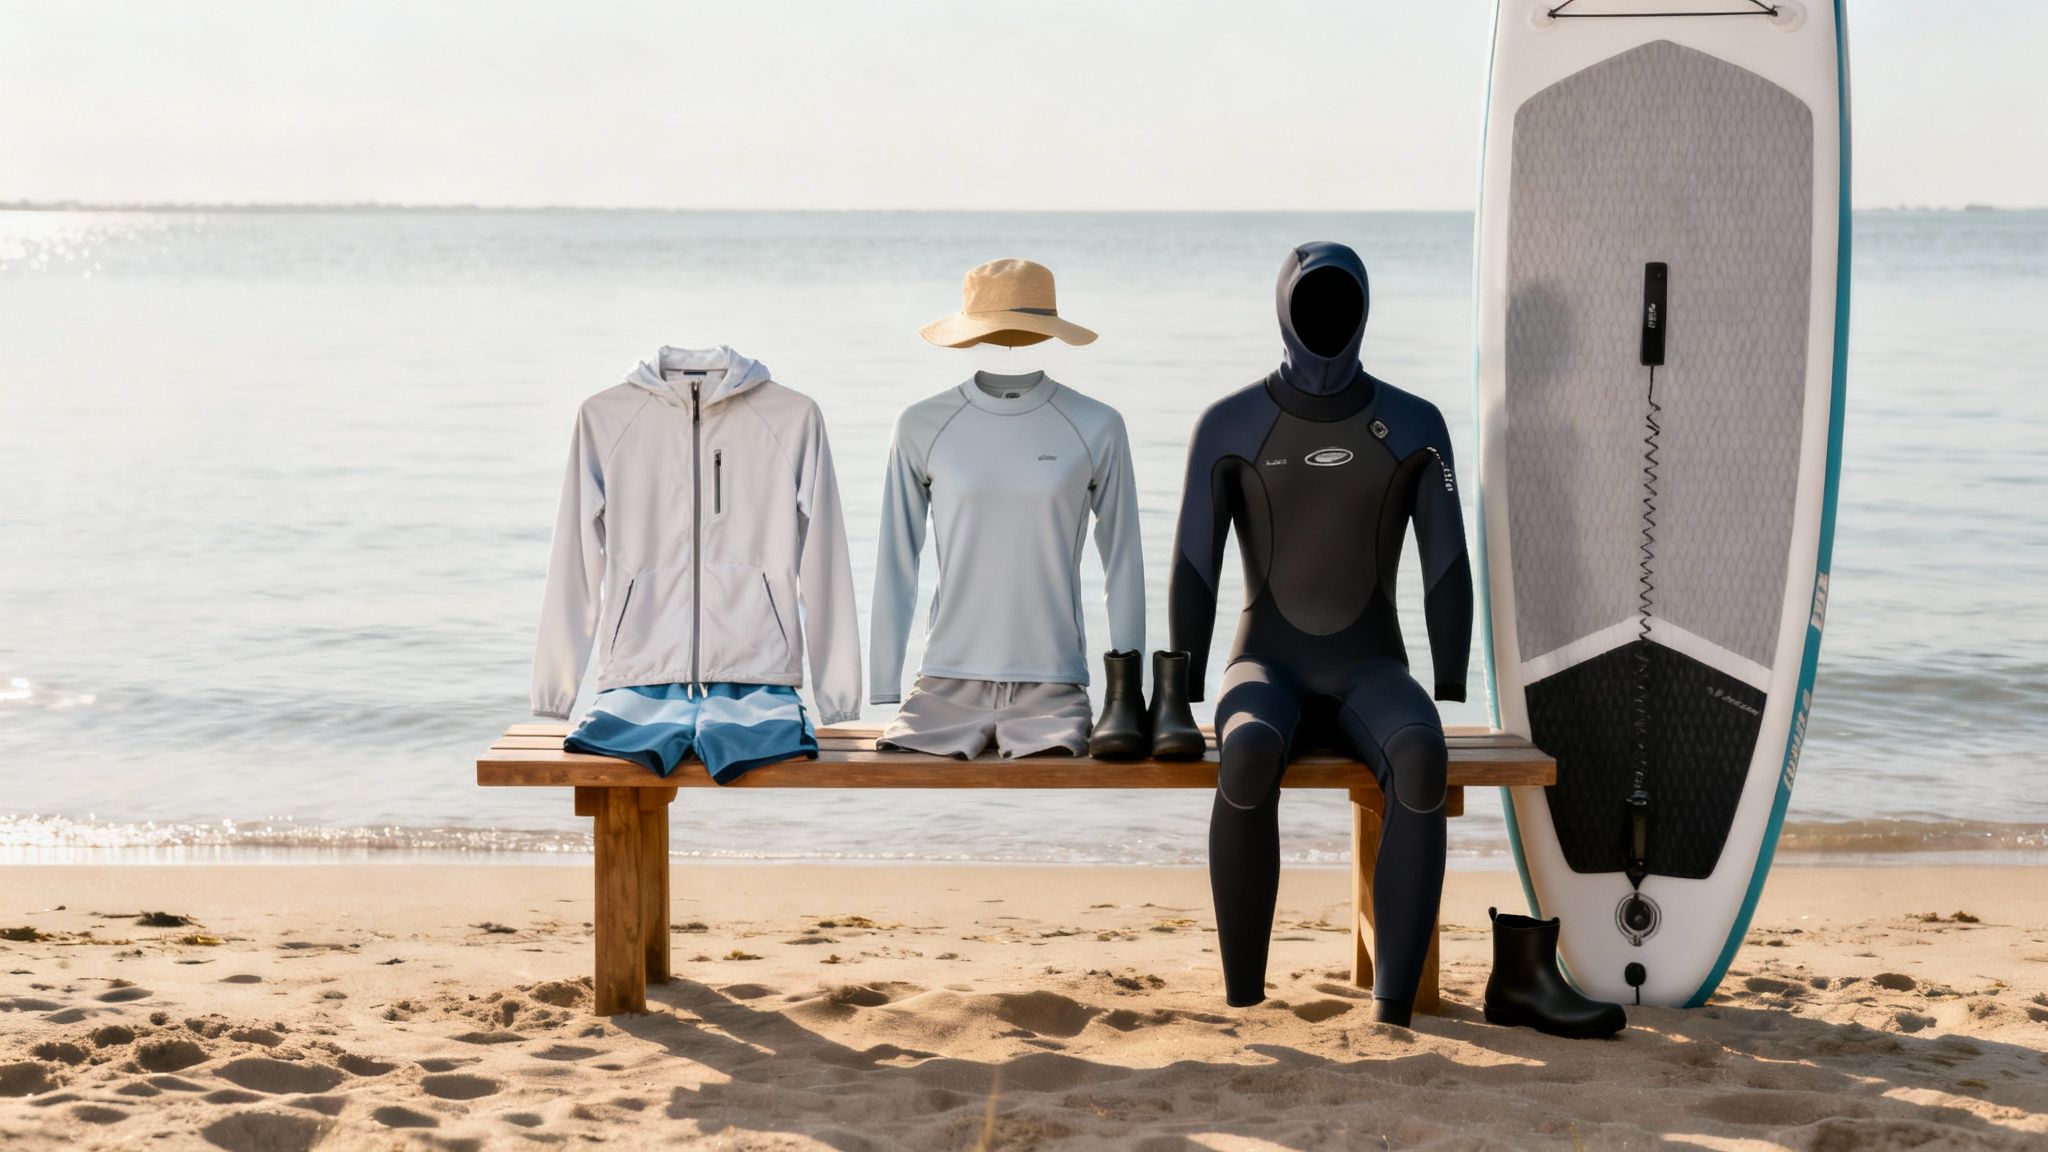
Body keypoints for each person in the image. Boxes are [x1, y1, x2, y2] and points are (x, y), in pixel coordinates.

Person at [1169, 242, 1472, 1025]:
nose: (1326, 318)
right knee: (1246, 752)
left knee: (1421, 754)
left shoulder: (1415, 424)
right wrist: (1185, 681)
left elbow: (1448, 561)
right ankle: (1244, 999)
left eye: (1342, 302)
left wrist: (1450, 677)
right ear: (1282, 307)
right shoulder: (1230, 422)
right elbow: (1193, 563)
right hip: (1266, 663)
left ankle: (1392, 1010)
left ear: (1366, 310)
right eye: (1311, 301)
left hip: (1372, 666)